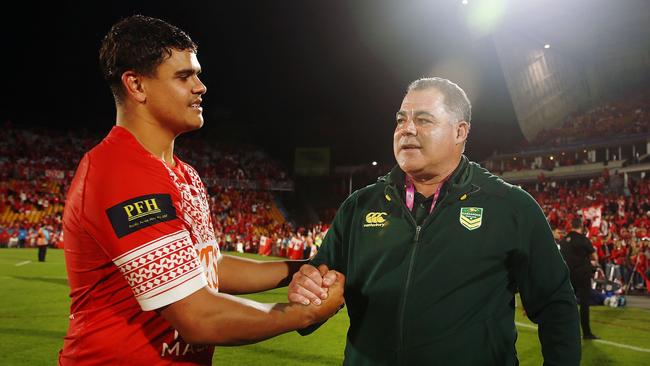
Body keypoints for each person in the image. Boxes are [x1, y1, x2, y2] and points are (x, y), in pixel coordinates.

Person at [59, 15, 344, 365]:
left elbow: (212, 267)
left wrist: (302, 268)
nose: (201, 86)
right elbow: (198, 317)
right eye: (184, 76)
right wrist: (305, 314)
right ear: (136, 85)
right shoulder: (120, 172)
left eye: (196, 73)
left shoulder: (184, 174)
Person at [288, 77, 581, 365]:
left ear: (460, 132)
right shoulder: (359, 206)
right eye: (401, 120)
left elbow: (556, 305)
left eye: (424, 120)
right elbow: (315, 293)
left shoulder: (511, 207)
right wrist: (307, 291)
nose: (407, 129)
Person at [559, 218, 599, 339]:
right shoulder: (583, 239)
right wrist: (592, 263)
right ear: (581, 226)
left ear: (571, 226)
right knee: (584, 304)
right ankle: (586, 332)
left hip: (567, 275)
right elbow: (594, 257)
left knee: (567, 303)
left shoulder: (563, 241)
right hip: (582, 274)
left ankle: (565, 331)